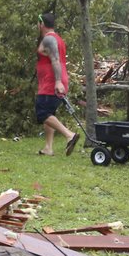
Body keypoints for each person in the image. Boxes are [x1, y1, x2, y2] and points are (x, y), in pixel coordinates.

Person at [35, 12, 79, 156]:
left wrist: (58, 81)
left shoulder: (49, 39)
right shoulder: (53, 38)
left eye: (38, 23)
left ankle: (69, 135)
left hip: (52, 82)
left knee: (43, 113)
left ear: (41, 24)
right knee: (50, 114)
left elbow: (55, 60)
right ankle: (48, 148)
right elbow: (43, 51)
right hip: (50, 81)